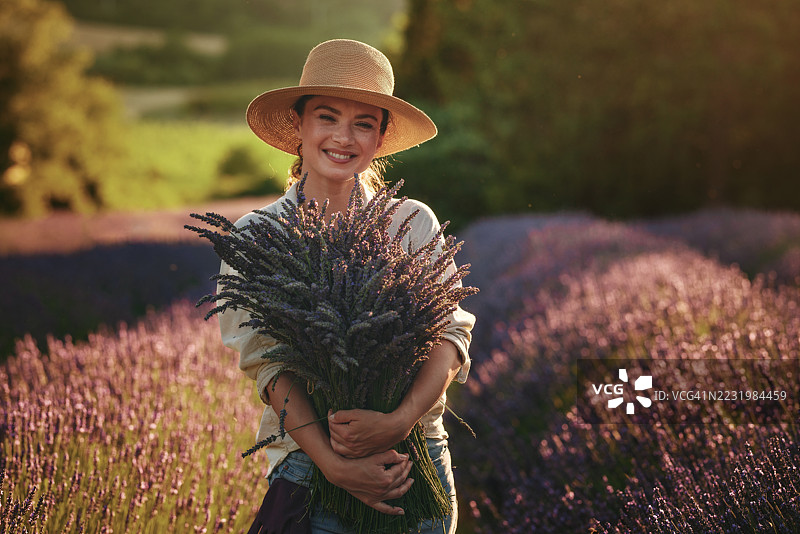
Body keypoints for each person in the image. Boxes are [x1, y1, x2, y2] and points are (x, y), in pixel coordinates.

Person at [218, 39, 476, 534]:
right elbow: (268, 364)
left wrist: (399, 420)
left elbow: (451, 334)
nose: (344, 136)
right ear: (299, 125)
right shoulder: (258, 237)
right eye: (327, 117)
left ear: (380, 138)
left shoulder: (410, 222)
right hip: (310, 468)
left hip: (412, 462)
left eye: (364, 123)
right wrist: (335, 464)